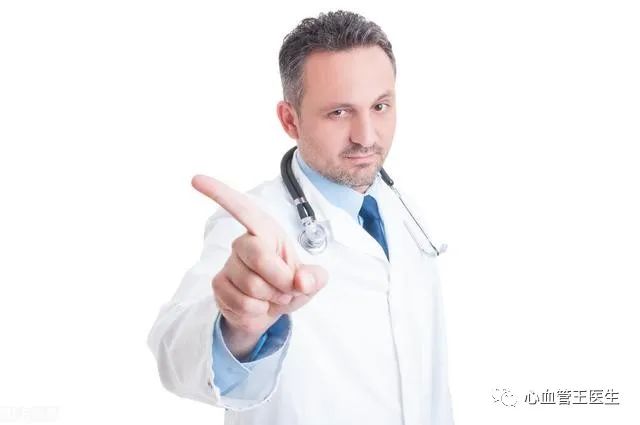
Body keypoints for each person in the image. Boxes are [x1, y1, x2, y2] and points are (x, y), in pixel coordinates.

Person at [147, 10, 455, 425]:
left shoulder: (404, 210)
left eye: (380, 106)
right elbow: (173, 352)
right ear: (290, 119)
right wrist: (238, 327)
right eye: (339, 113)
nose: (367, 136)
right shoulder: (252, 226)